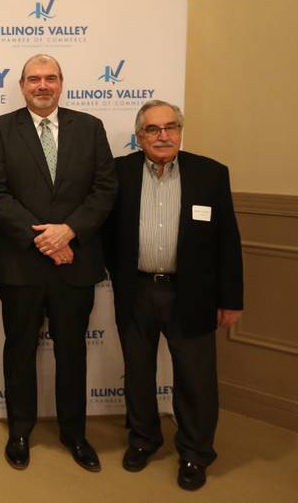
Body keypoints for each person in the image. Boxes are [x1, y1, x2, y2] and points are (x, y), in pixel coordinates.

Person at [0, 54, 117, 471]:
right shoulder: (1, 129)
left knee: (72, 352)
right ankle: (20, 431)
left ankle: (74, 434)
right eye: (34, 79)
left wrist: (69, 231)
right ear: (22, 86)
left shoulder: (90, 128)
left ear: (62, 83)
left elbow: (105, 188)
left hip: (75, 261)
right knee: (19, 348)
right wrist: (46, 238)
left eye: (50, 78)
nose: (43, 85)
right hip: (21, 264)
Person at [103, 100, 243, 491]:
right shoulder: (118, 173)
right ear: (139, 135)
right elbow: (105, 234)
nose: (162, 135)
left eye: (170, 127)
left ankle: (196, 454)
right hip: (137, 290)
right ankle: (144, 439)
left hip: (192, 293)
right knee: (139, 374)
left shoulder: (211, 174)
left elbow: (228, 242)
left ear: (181, 131)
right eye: (152, 129)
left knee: (196, 379)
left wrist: (231, 299)